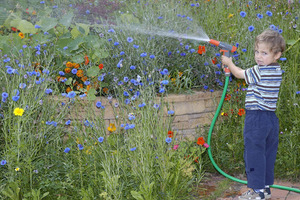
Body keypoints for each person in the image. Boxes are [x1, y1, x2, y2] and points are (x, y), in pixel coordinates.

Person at [221, 29, 286, 200]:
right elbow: (245, 73)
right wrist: (231, 67)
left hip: (256, 118)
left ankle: (256, 192)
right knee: (266, 154)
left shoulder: (260, 71)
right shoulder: (276, 70)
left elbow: (239, 74)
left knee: (254, 153)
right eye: (257, 51)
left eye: (264, 53)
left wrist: (229, 62)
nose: (259, 56)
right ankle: (265, 188)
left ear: (277, 54)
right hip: (271, 119)